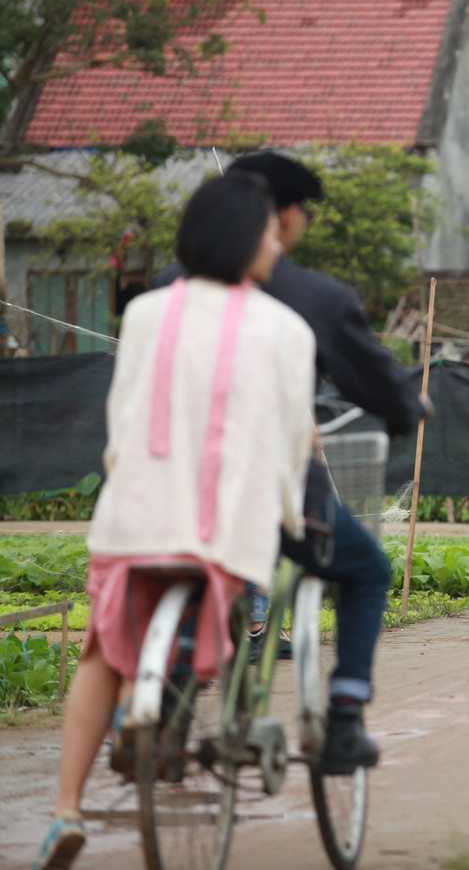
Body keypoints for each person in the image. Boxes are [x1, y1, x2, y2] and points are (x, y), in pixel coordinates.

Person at [33, 173, 316, 870]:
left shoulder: (146, 314)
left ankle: (66, 809)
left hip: (135, 517)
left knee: (103, 648)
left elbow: (120, 423)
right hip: (224, 533)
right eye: (270, 235)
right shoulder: (286, 329)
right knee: (211, 610)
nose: (278, 247)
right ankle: (151, 705)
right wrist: (286, 517)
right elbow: (285, 447)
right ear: (249, 239)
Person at [153, 151, 428, 774]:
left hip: (169, 483)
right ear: (282, 215)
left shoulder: (165, 287)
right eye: (301, 207)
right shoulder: (310, 295)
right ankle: (346, 716)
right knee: (365, 571)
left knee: (202, 567)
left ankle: (168, 697)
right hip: (269, 487)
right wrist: (406, 407)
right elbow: (371, 376)